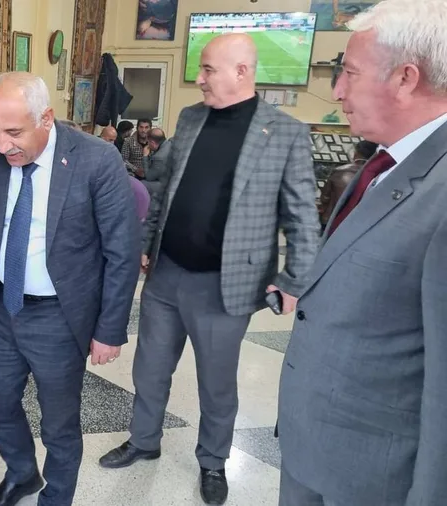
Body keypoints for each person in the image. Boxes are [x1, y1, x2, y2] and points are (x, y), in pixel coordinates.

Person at [98, 33, 319, 505]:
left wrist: (295, 280)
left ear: (242, 72)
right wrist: (146, 243)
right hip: (167, 274)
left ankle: (213, 461)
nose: (199, 79)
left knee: (216, 383)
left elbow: (303, 216)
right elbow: (166, 187)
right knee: (150, 368)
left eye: (208, 70)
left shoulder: (285, 133)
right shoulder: (191, 117)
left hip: (225, 286)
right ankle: (144, 440)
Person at [277, 0, 447, 504]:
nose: (337, 91)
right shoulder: (383, 164)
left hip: (375, 477)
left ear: (405, 78)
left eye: (349, 73)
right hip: (315, 449)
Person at [0, 72, 140, 506]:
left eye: (14, 132)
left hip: (60, 314)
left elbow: (123, 251)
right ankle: (22, 475)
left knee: (59, 425)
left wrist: (109, 329)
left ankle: (56, 498)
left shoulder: (95, 160)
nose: (2, 144)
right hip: (3, 308)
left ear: (46, 119)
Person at [317, 140, 377, 230]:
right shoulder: (378, 174)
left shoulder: (339, 171)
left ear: (356, 153)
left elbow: (325, 198)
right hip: (361, 223)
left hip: (332, 221)